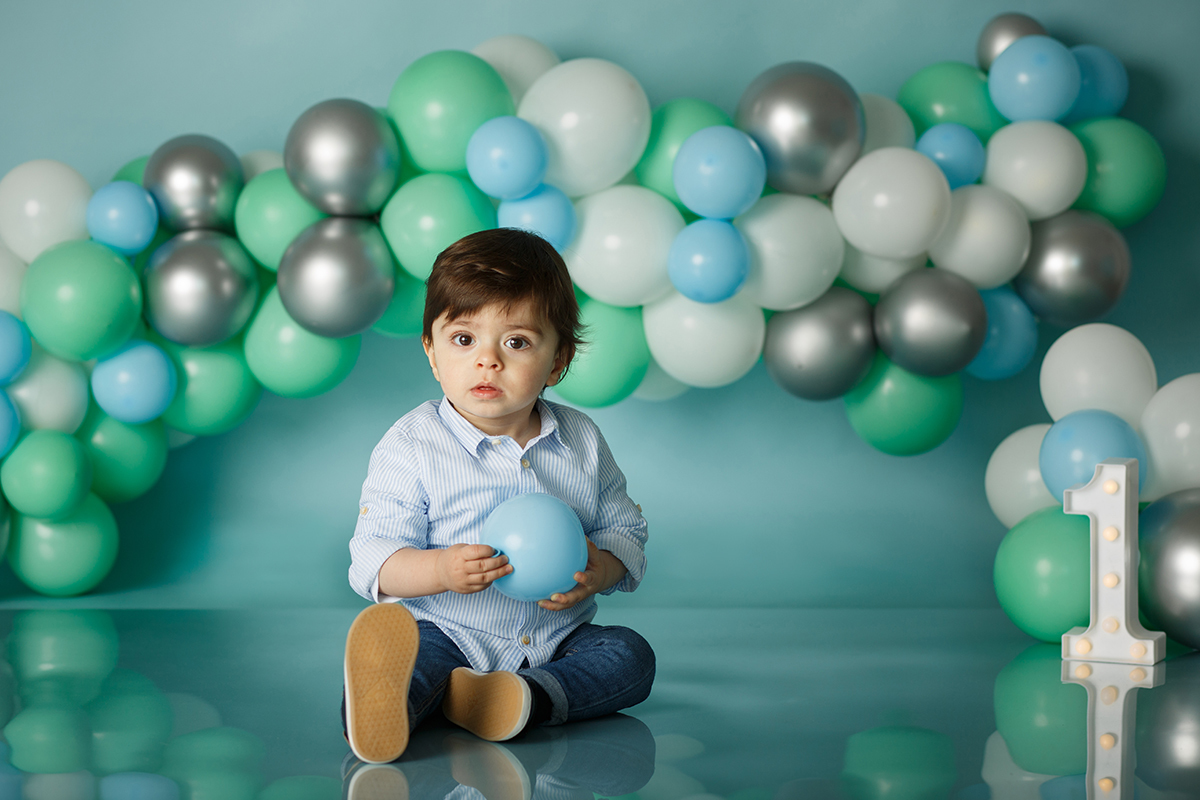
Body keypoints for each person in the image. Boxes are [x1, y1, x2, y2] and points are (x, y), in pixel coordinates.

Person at [344, 228, 654, 764]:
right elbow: (372, 558)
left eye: (517, 342)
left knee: (630, 655)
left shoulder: (581, 440)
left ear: (557, 361)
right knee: (418, 665)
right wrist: (441, 570)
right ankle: (384, 702)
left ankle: (520, 698)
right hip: (449, 631)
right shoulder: (412, 445)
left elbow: (623, 528)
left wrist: (599, 570)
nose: (488, 360)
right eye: (464, 339)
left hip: (555, 640)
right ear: (432, 352)